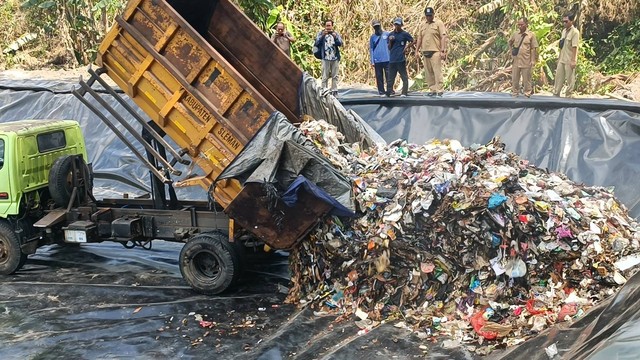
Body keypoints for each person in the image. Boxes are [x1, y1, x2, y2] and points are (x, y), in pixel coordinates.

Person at [414, 7, 448, 97]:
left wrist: (443, 50)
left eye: (430, 15)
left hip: (435, 51)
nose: (429, 17)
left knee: (437, 71)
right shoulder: (422, 25)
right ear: (425, 16)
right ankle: (432, 89)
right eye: (427, 16)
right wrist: (416, 50)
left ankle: (439, 89)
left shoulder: (438, 23)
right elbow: (419, 38)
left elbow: (443, 37)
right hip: (425, 51)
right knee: (428, 72)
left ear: (433, 14)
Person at [508, 17, 539, 97]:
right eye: (518, 25)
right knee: (515, 78)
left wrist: (533, 60)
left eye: (522, 25)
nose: (520, 26)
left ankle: (527, 93)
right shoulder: (515, 34)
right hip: (516, 60)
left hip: (526, 60)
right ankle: (515, 93)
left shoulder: (531, 35)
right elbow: (510, 42)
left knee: (527, 79)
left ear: (526, 24)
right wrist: (511, 53)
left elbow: (533, 48)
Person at [314, 19, 343, 97]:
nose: (328, 27)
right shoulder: (321, 33)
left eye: (329, 25)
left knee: (335, 75)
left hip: (334, 57)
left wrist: (335, 37)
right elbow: (316, 43)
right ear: (325, 26)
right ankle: (324, 91)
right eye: (327, 26)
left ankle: (334, 91)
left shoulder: (335, 34)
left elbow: (340, 43)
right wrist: (323, 35)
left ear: (332, 26)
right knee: (324, 76)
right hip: (325, 57)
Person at [553, 13, 580, 97]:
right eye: (563, 21)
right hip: (562, 58)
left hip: (569, 58)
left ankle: (569, 95)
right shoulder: (564, 31)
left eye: (566, 21)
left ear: (571, 21)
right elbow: (561, 45)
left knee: (569, 78)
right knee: (558, 77)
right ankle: (556, 94)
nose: (564, 23)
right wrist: (559, 57)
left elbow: (574, 47)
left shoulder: (575, 32)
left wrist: (573, 60)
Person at [386, 17, 413, 97]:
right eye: (396, 24)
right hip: (392, 59)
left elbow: (413, 41)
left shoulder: (404, 34)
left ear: (401, 25)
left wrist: (407, 48)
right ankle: (389, 91)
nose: (397, 26)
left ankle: (404, 92)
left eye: (398, 24)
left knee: (404, 76)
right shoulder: (391, 34)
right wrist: (390, 41)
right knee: (391, 77)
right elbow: (389, 47)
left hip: (400, 59)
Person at [369, 19, 391, 96]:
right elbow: (371, 49)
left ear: (380, 25)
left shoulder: (387, 34)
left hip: (387, 58)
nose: (377, 28)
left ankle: (389, 90)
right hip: (377, 59)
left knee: (389, 76)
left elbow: (391, 45)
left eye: (378, 26)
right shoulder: (373, 37)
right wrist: (372, 61)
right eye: (375, 27)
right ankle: (381, 91)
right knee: (379, 77)